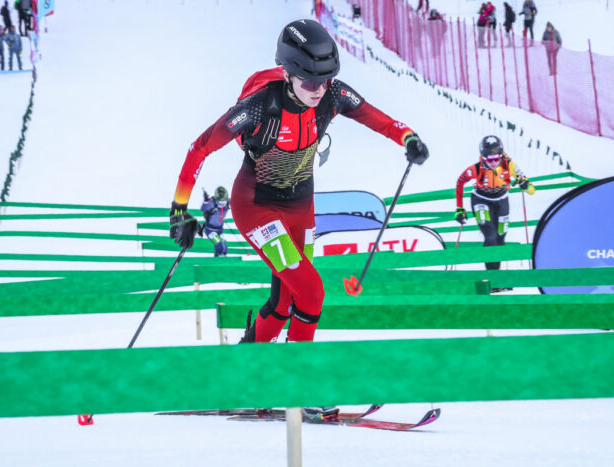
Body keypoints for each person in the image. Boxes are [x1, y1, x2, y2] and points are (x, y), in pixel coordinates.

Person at [169, 19, 429, 346]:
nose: (318, 91)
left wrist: (409, 138)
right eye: (309, 83)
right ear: (287, 74)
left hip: (301, 207)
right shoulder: (260, 106)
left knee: (286, 299)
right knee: (311, 291)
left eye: (325, 80)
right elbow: (200, 147)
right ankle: (298, 378)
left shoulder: (332, 94)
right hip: (257, 207)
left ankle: (253, 363)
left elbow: (378, 119)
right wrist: (179, 210)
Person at [454, 135, 534, 274]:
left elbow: (532, 190)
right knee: (490, 235)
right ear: (483, 157)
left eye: (497, 158)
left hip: (502, 200)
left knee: (501, 236)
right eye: (490, 159)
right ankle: (493, 277)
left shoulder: (509, 165)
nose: (494, 162)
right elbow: (460, 182)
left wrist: (525, 185)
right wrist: (460, 208)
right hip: (481, 199)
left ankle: (498, 275)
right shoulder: (475, 169)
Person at [201, 186, 231, 257]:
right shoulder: (212, 202)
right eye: (220, 199)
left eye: (224, 198)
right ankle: (219, 258)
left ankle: (220, 260)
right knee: (218, 243)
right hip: (210, 230)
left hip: (220, 230)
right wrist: (205, 201)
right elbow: (204, 208)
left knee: (224, 248)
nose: (222, 202)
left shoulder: (227, 202)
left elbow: (236, 201)